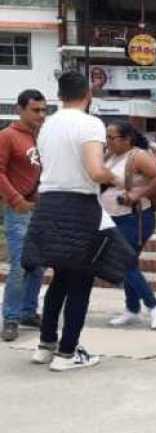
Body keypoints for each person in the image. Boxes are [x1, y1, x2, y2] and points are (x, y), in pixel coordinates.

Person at [28, 71, 123, 371]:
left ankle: (46, 345)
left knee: (61, 277)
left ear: (60, 95)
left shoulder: (47, 125)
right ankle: (68, 353)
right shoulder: (90, 123)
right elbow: (96, 171)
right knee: (82, 281)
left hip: (49, 205)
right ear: (88, 94)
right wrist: (116, 177)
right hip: (80, 206)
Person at [99, 121, 156, 329]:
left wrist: (137, 193)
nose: (108, 142)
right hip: (112, 218)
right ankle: (132, 308)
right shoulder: (110, 156)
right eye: (107, 138)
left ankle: (154, 305)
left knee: (125, 263)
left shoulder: (138, 156)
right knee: (128, 264)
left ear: (127, 139)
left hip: (135, 218)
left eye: (112, 138)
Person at [0, 90, 47, 341]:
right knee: (19, 265)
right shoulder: (7, 136)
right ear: (20, 110)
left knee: (38, 263)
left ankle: (28, 311)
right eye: (35, 110)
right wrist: (16, 200)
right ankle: (10, 317)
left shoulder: (39, 137)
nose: (41, 114)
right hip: (17, 210)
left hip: (37, 208)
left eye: (43, 110)